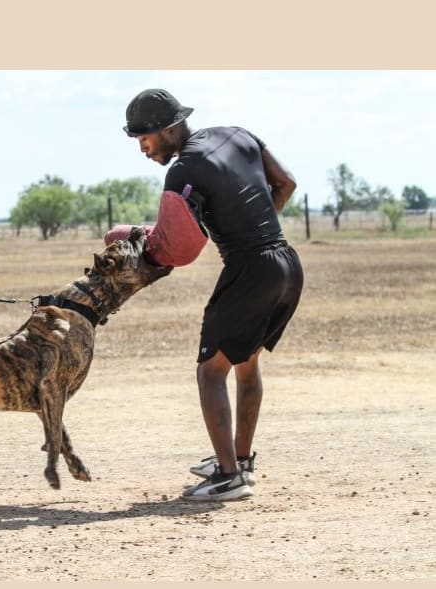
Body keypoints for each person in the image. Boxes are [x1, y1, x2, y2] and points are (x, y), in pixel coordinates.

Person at [107, 88, 303, 501]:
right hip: (286, 262)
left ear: (169, 129)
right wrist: (255, 226)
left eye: (145, 140)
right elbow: (286, 183)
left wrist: (137, 240)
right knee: (244, 363)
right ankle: (239, 461)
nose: (143, 150)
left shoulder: (183, 171)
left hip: (250, 269)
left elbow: (173, 247)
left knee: (210, 371)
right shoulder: (238, 135)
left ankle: (228, 478)